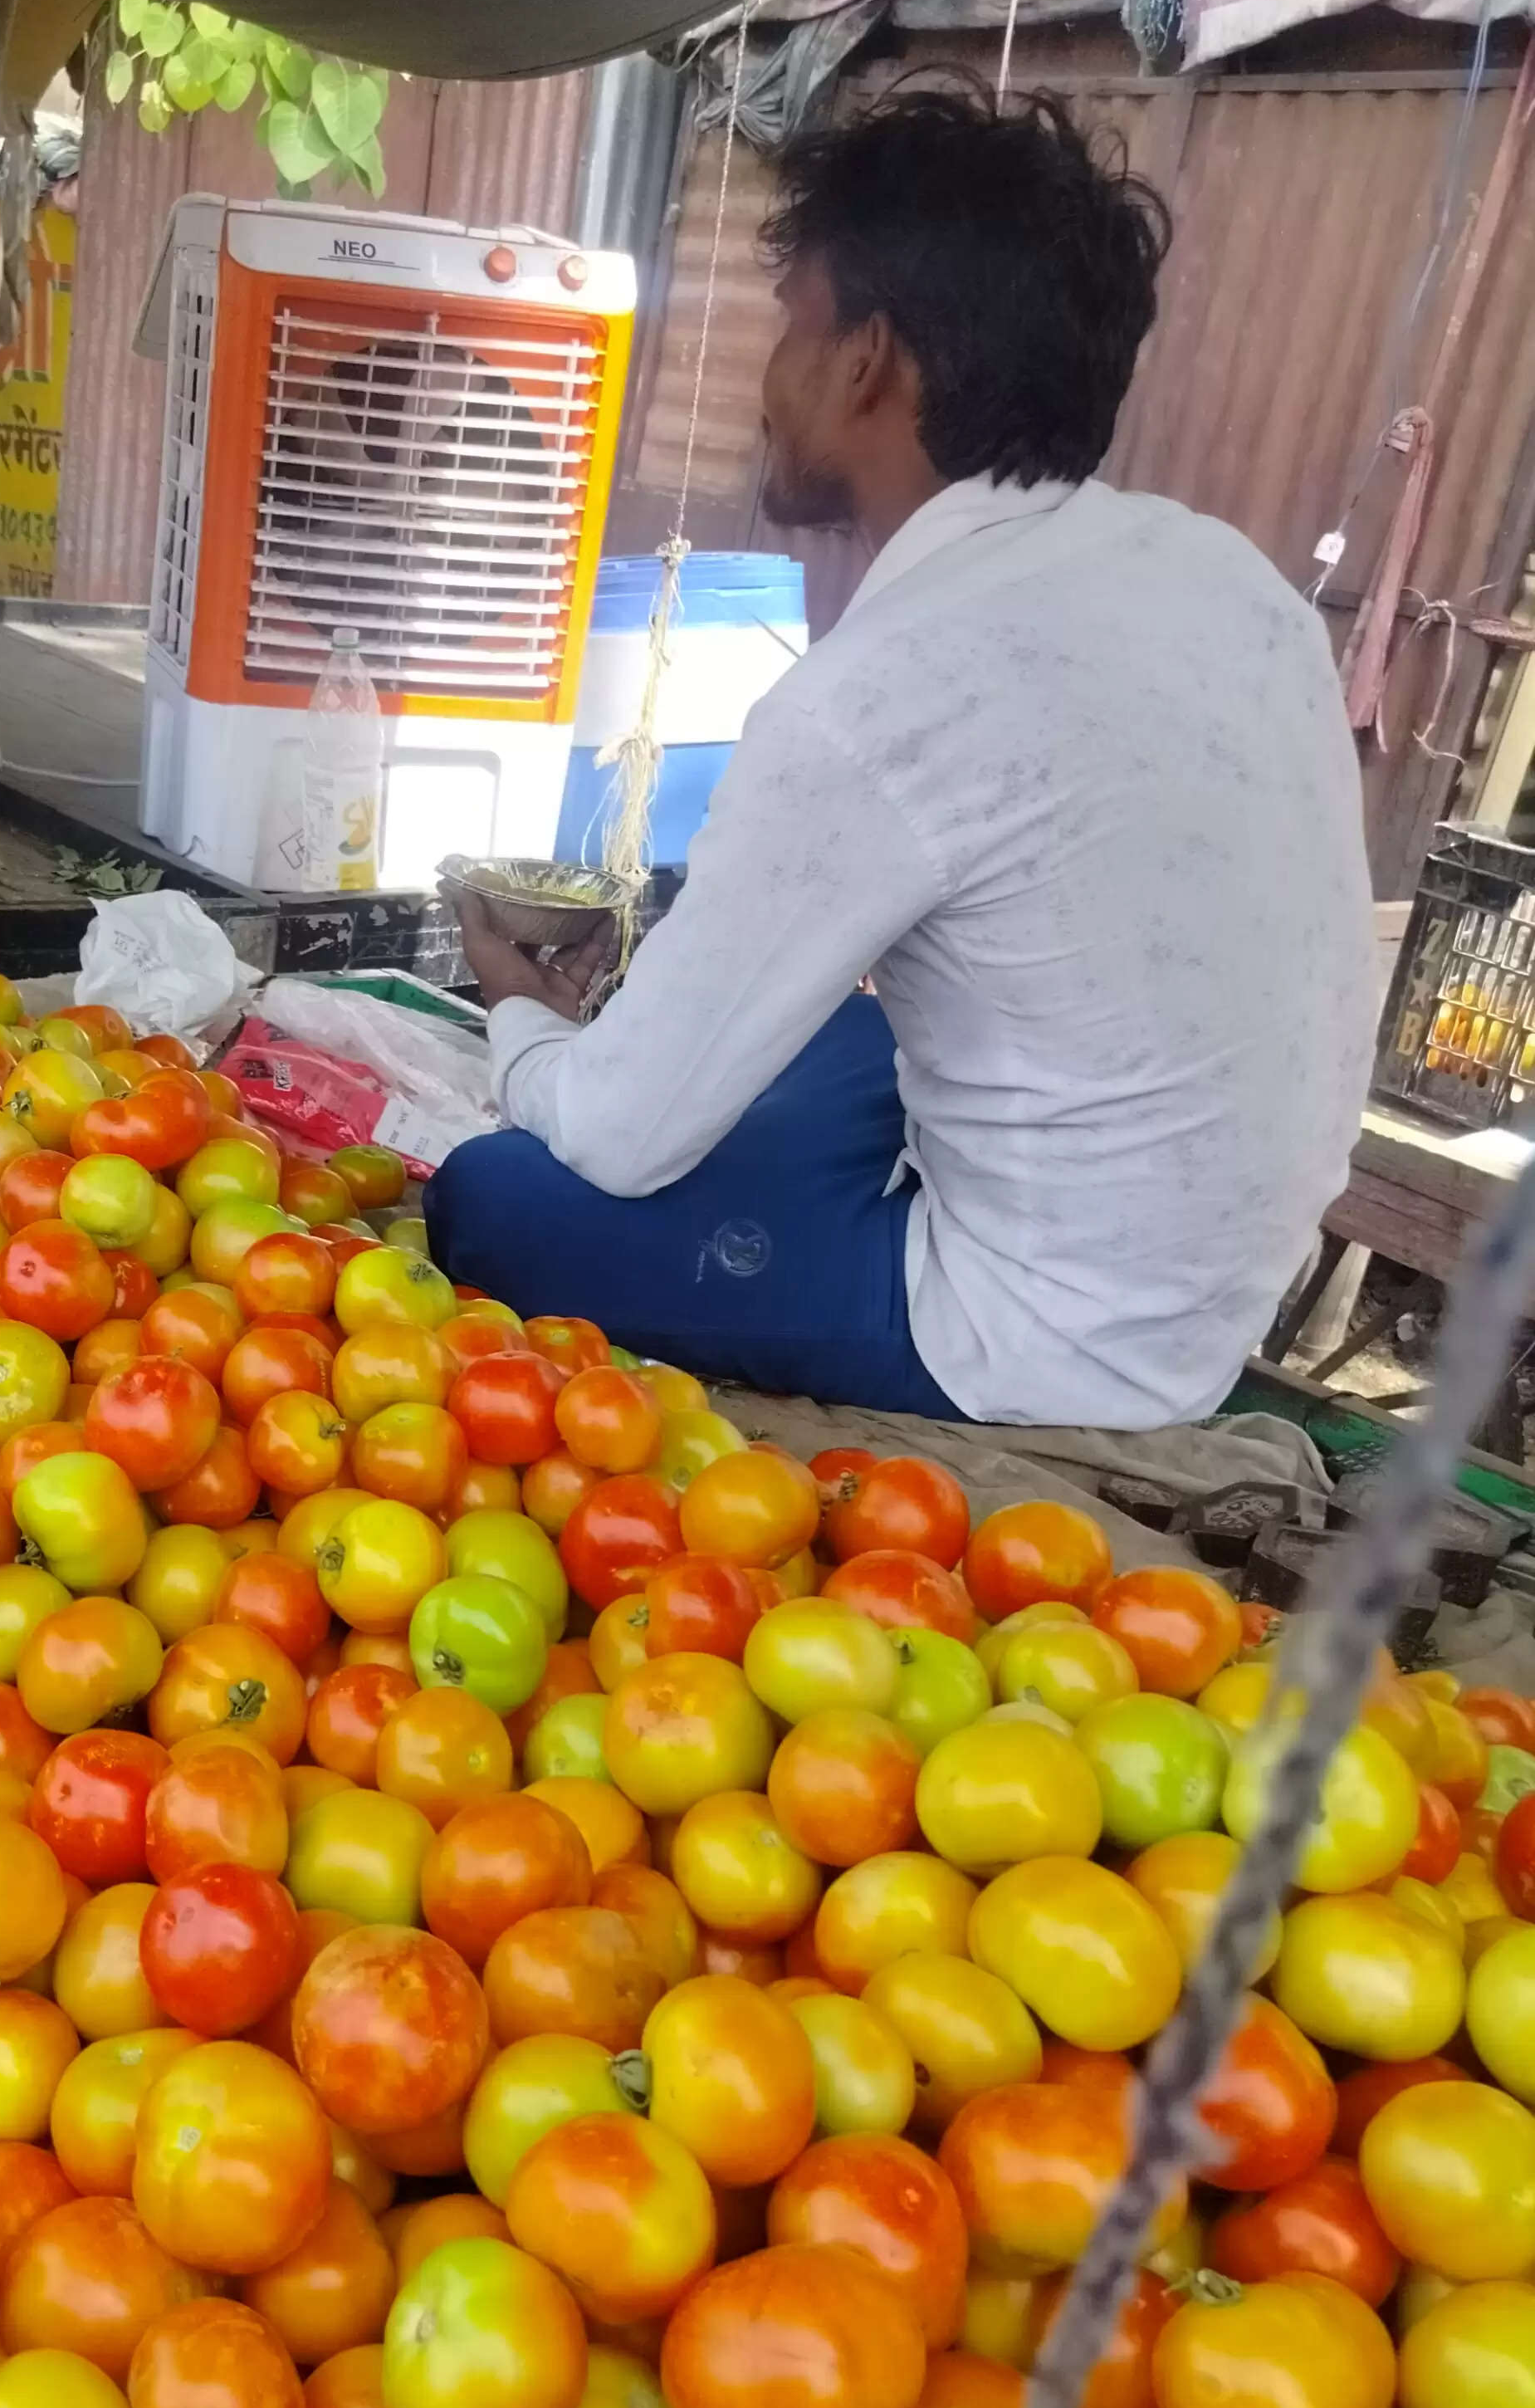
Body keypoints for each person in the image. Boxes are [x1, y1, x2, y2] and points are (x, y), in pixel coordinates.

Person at [428, 81, 1376, 1431]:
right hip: (1212, 1280)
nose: (768, 382)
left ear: (865, 359)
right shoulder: (1230, 578)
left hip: (1036, 1340)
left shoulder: (882, 691)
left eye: (787, 330)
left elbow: (626, 1139)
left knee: (497, 1197)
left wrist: (515, 1016)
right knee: (812, 1033)